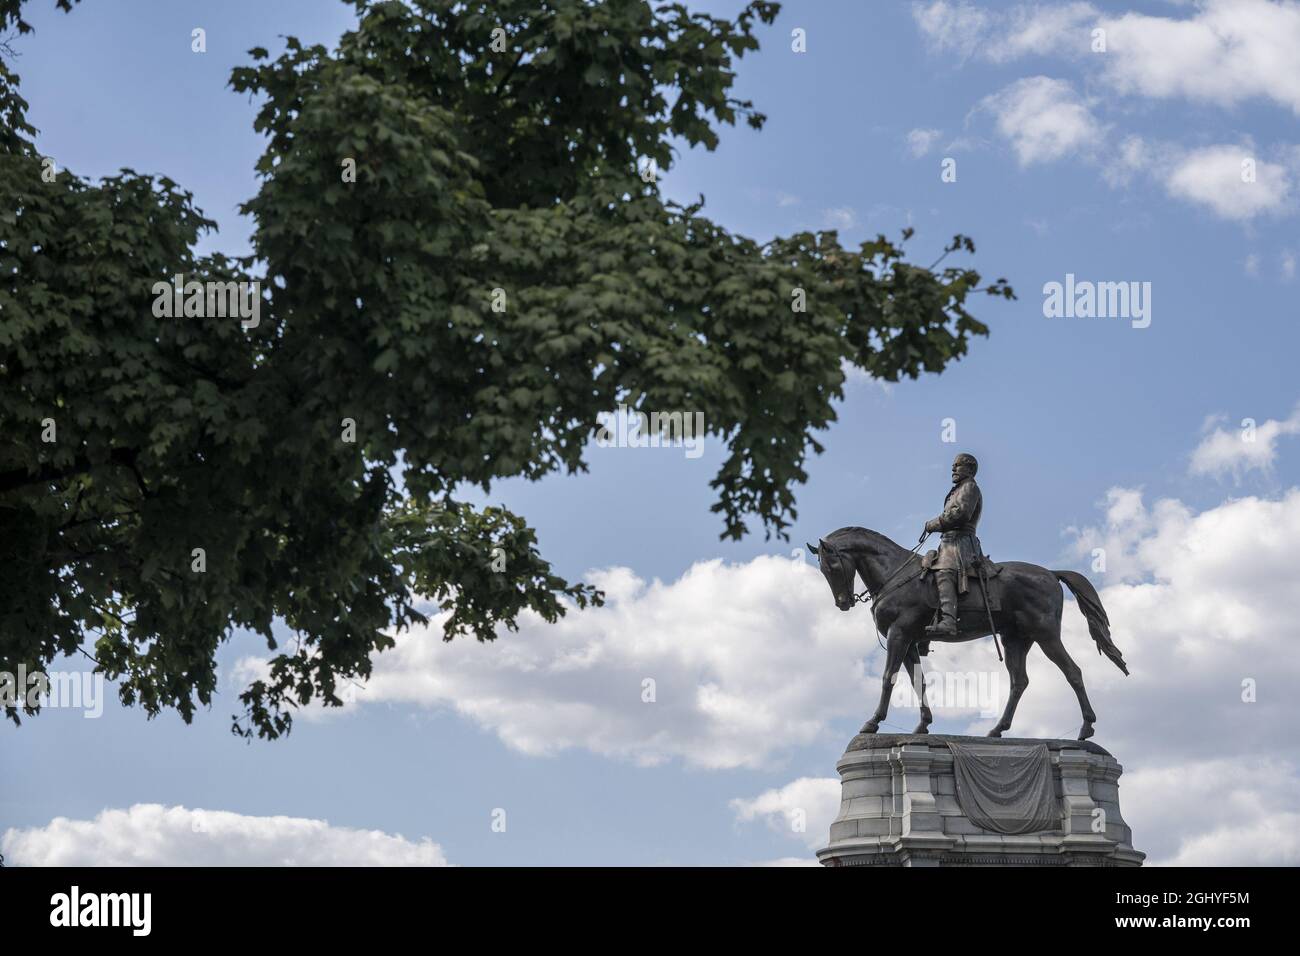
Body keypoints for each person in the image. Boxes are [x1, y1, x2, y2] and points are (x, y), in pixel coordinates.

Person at [921, 452, 983, 636]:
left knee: (944, 572)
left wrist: (934, 523)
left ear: (970, 468)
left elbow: (961, 514)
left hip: (962, 543)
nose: (953, 468)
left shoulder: (970, 487)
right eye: (953, 465)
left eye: (958, 465)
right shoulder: (956, 490)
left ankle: (948, 621)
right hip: (948, 543)